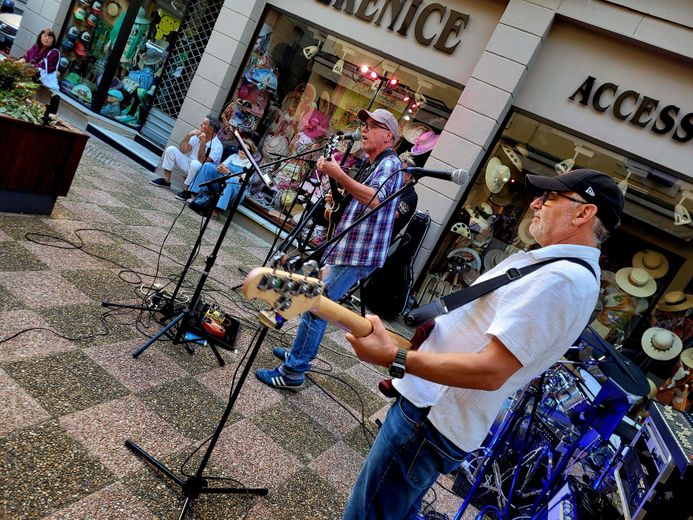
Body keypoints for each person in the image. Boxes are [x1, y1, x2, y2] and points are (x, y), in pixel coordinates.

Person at [341, 169, 625, 519]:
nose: (535, 203)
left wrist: (396, 357)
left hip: (431, 416)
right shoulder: (556, 267)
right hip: (430, 411)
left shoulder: (561, 279)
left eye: (550, 198)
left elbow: (492, 371)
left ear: (584, 213)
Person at [255, 108, 404, 390]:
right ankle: (300, 355)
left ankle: (293, 372)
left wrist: (339, 174)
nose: (365, 129)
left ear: (389, 136)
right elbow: (360, 203)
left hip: (359, 252)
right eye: (365, 124)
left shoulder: (390, 164)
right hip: (351, 249)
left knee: (314, 305)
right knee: (316, 303)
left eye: (374, 126)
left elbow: (375, 200)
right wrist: (336, 195)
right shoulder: (376, 164)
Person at [149, 115, 223, 192]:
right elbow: (183, 150)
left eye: (204, 124)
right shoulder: (199, 135)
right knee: (171, 149)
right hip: (189, 164)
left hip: (200, 172)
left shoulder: (218, 146)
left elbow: (202, 161)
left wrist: (203, 143)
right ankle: (166, 180)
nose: (201, 125)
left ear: (211, 130)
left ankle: (186, 191)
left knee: (195, 163)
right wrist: (189, 135)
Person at [186, 139, 257, 217]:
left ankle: (217, 210)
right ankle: (197, 196)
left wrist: (227, 172)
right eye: (241, 148)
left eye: (246, 150)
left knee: (232, 180)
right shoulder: (233, 156)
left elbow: (241, 181)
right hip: (222, 183)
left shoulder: (250, 164)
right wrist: (220, 168)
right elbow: (222, 166)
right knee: (207, 166)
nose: (242, 151)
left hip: (235, 191)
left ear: (250, 152)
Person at [392, 151, 418, 238]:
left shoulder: (411, 196)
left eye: (399, 171)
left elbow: (394, 214)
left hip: (380, 239)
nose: (394, 173)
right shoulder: (391, 186)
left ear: (408, 176)